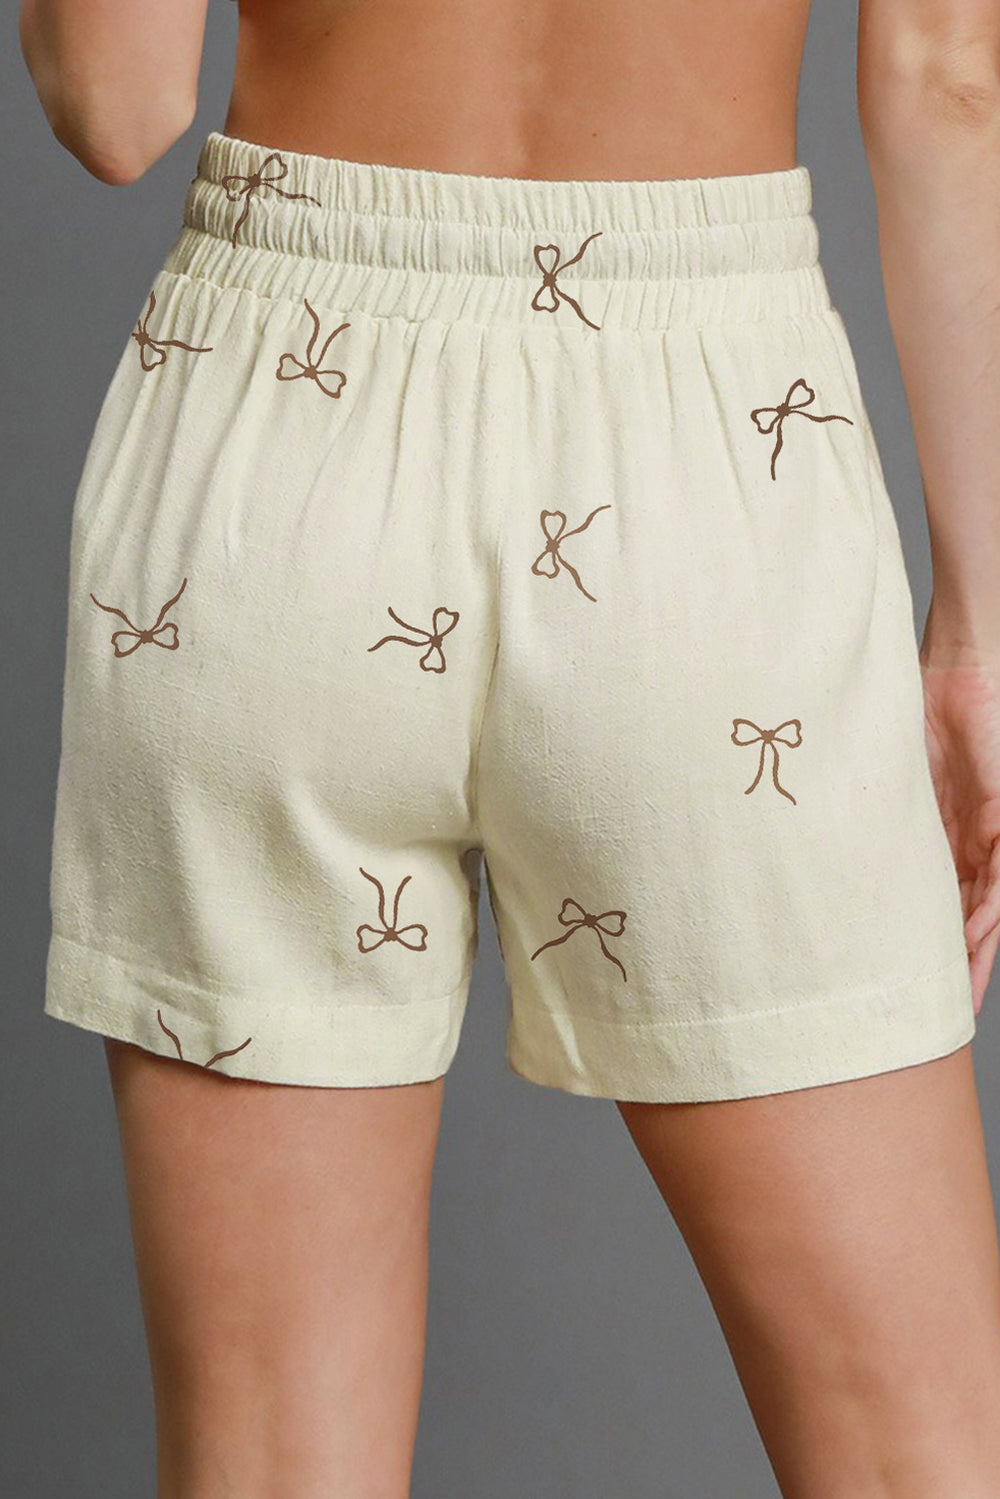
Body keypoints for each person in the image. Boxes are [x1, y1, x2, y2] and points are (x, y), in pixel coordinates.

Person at [19, 0, 1000, 1493]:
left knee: (266, 1457)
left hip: (279, 436)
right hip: (708, 463)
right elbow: (951, 73)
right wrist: (977, 633)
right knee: (915, 1451)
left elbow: (115, 102)